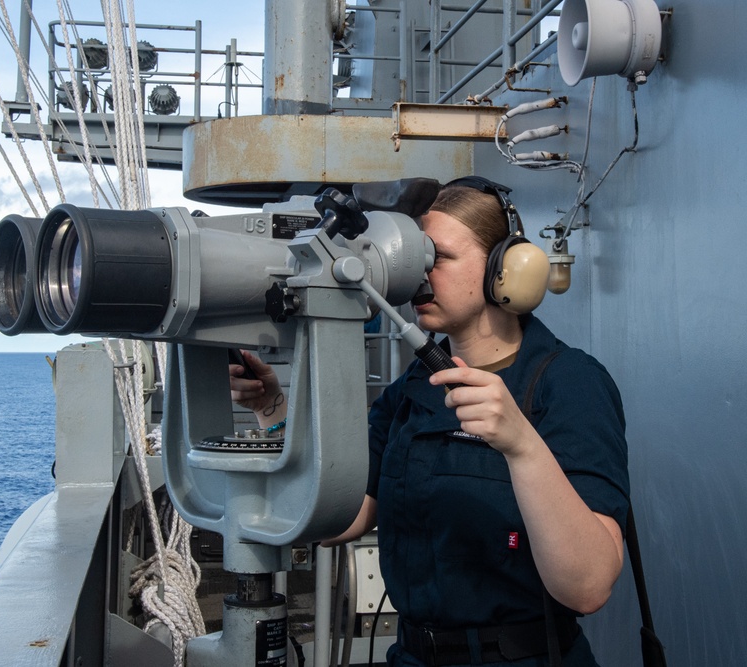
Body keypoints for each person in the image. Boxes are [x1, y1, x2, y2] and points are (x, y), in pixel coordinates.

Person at [229, 177, 630, 666]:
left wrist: (522, 445)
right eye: (415, 258)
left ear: (503, 271)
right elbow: (342, 516)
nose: (419, 276)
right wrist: (273, 409)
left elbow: (588, 587)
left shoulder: (567, 383)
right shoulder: (413, 390)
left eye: (438, 258)